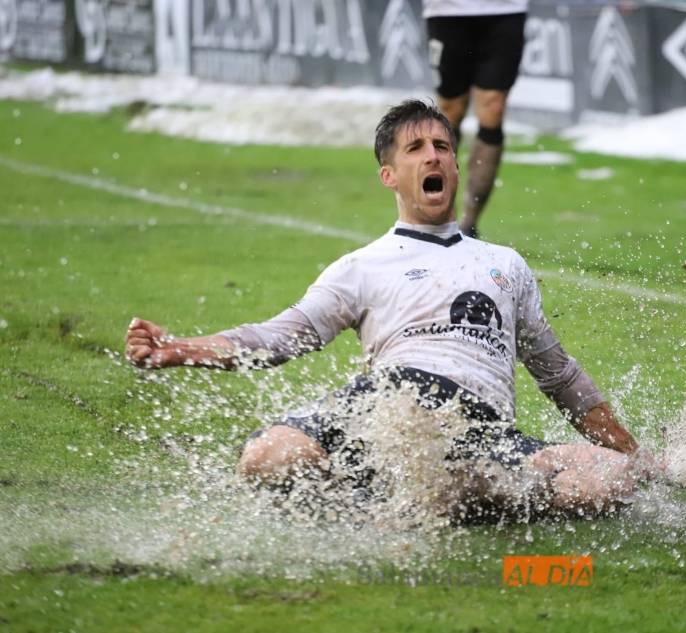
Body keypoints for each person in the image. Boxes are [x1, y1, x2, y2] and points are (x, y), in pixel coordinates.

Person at [125, 100, 658, 518]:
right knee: (268, 458)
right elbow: (277, 339)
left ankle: (446, 498)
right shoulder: (362, 266)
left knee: (610, 480)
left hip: (485, 431)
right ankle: (391, 501)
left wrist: (634, 454)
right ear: (389, 176)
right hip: (388, 408)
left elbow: (559, 376)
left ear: (455, 165)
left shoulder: (505, 264)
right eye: (416, 149)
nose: (433, 156)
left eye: (443, 147)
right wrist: (178, 350)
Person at [423, 0, 527, 238]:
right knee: (450, 111)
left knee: (494, 108)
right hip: (448, 11)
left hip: (505, 9)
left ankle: (469, 224)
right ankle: (440, 216)